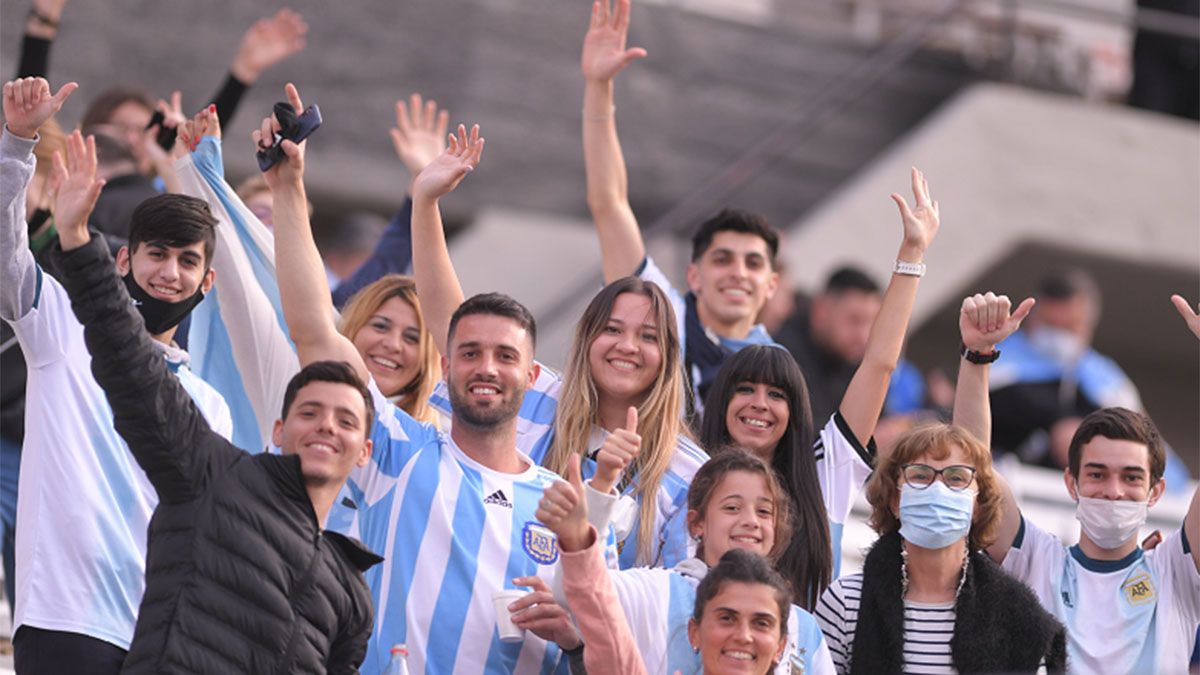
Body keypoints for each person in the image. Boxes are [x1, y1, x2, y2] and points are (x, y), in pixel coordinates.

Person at [264, 85, 579, 673]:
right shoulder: (399, 449)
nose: (486, 368)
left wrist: (575, 639)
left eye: (505, 357)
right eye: (470, 353)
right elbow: (313, 329)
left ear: (532, 375)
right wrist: (288, 188)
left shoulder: (562, 507)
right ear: (447, 366)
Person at [46, 126, 382, 669]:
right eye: (310, 412)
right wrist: (79, 243)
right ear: (277, 430)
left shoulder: (351, 595)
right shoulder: (214, 476)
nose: (326, 427)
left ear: (364, 450)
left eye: (346, 420)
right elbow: (130, 364)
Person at [1, 78, 234, 673]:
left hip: (164, 637)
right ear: (125, 259)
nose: (170, 274)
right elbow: (6, 260)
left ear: (207, 283)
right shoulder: (63, 323)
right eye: (157, 254)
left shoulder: (212, 405)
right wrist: (16, 144)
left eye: (188, 262)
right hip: (65, 619)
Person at [699, 163, 943, 606]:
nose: (759, 404)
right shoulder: (685, 470)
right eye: (745, 389)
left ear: (796, 409)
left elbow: (878, 364)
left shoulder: (823, 475)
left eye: (777, 394)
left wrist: (912, 254)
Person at [974, 295, 1200, 673]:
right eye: (1097, 474)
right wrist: (977, 357)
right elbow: (973, 465)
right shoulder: (1037, 561)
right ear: (1071, 482)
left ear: (1156, 491)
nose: (1113, 491)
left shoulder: (1176, 573)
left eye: (1131, 477)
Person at [580, 0, 783, 414]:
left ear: (771, 286)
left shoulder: (777, 370)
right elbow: (609, 202)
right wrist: (599, 89)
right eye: (722, 259)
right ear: (694, 275)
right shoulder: (662, 316)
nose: (738, 273)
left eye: (753, 263)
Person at [546, 449, 836, 674]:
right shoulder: (656, 591)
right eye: (732, 508)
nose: (750, 521)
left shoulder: (805, 628)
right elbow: (577, 593)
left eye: (763, 511)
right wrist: (593, 506)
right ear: (696, 524)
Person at [989, 268, 1191, 486]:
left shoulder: (1105, 376)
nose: (1057, 336)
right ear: (1031, 316)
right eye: (1049, 324)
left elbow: (1151, 446)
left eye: (1068, 327)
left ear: (1088, 325)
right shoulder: (996, 357)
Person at [774, 266, 881, 425]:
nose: (863, 336)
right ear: (821, 311)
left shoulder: (857, 363)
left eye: (871, 323)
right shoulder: (782, 356)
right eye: (854, 320)